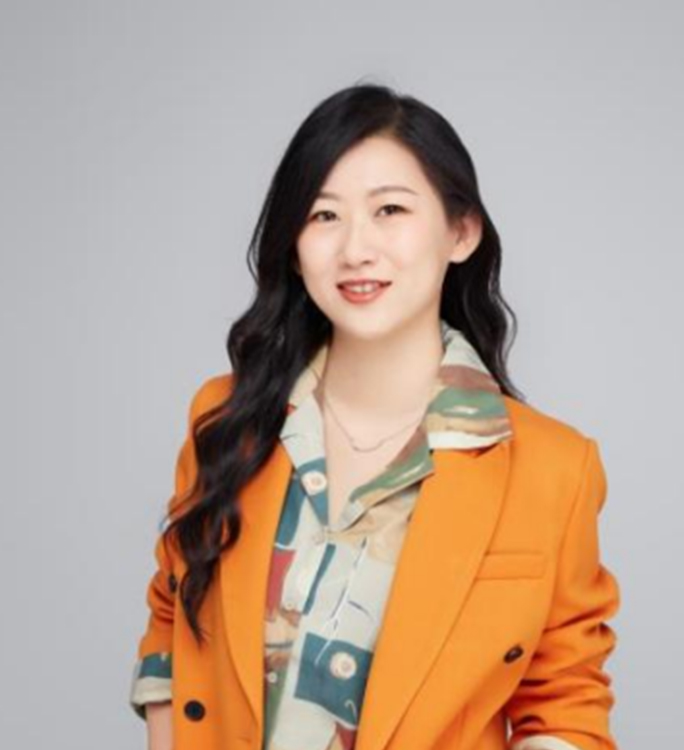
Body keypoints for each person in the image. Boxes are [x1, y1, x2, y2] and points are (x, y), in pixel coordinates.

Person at [128, 82, 621, 750]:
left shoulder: (551, 469)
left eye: (390, 209)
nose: (355, 248)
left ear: (461, 231)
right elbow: (172, 627)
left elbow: (564, 704)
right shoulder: (226, 419)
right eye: (323, 215)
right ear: (294, 244)